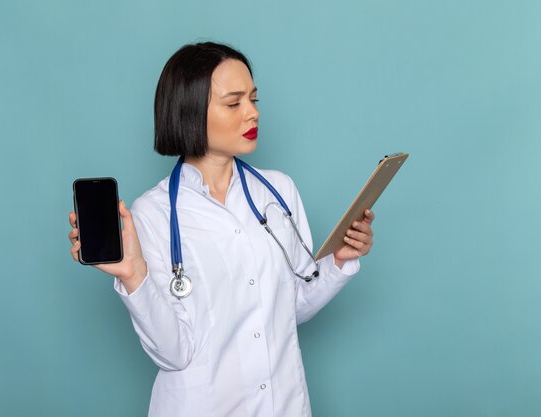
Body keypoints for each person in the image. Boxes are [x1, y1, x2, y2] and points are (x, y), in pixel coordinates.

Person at [68, 42, 374, 417]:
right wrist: (135, 277)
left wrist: (338, 262)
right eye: (234, 103)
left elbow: (288, 307)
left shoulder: (278, 192)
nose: (253, 113)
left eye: (254, 99)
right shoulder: (154, 213)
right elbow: (173, 352)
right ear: (190, 112)